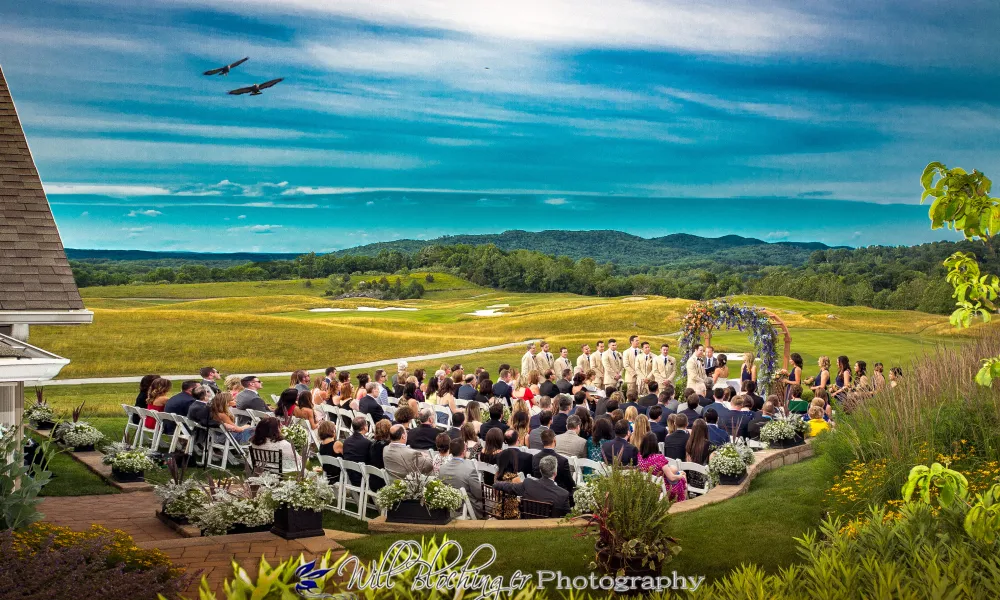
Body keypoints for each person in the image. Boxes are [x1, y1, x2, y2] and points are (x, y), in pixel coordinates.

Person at [494, 455, 572, 517]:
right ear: (555, 473)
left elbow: (509, 487)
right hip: (550, 530)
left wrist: (496, 484)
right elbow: (569, 517)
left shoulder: (528, 484)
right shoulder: (563, 494)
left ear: (540, 471)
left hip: (528, 526)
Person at [438, 438, 484, 519]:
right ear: (463, 451)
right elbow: (479, 495)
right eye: (465, 447)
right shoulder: (469, 468)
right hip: (467, 509)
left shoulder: (442, 468)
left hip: (448, 508)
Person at [637, 433, 687, 502]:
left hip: (648, 486)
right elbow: (671, 477)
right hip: (662, 487)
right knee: (683, 478)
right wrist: (681, 476)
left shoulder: (640, 456)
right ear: (655, 444)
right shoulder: (659, 458)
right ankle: (683, 503)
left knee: (679, 475)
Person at [532, 429, 576, 493]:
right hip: (558, 494)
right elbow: (569, 483)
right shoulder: (563, 461)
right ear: (554, 440)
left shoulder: (535, 458)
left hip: (539, 492)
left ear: (542, 441)